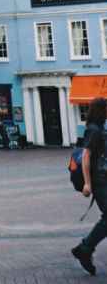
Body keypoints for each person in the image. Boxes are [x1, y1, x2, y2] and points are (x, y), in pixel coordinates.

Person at [72, 97, 107, 276]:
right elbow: (86, 156)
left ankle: (85, 248)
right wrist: (87, 183)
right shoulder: (94, 130)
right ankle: (85, 248)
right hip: (99, 181)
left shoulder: (100, 129)